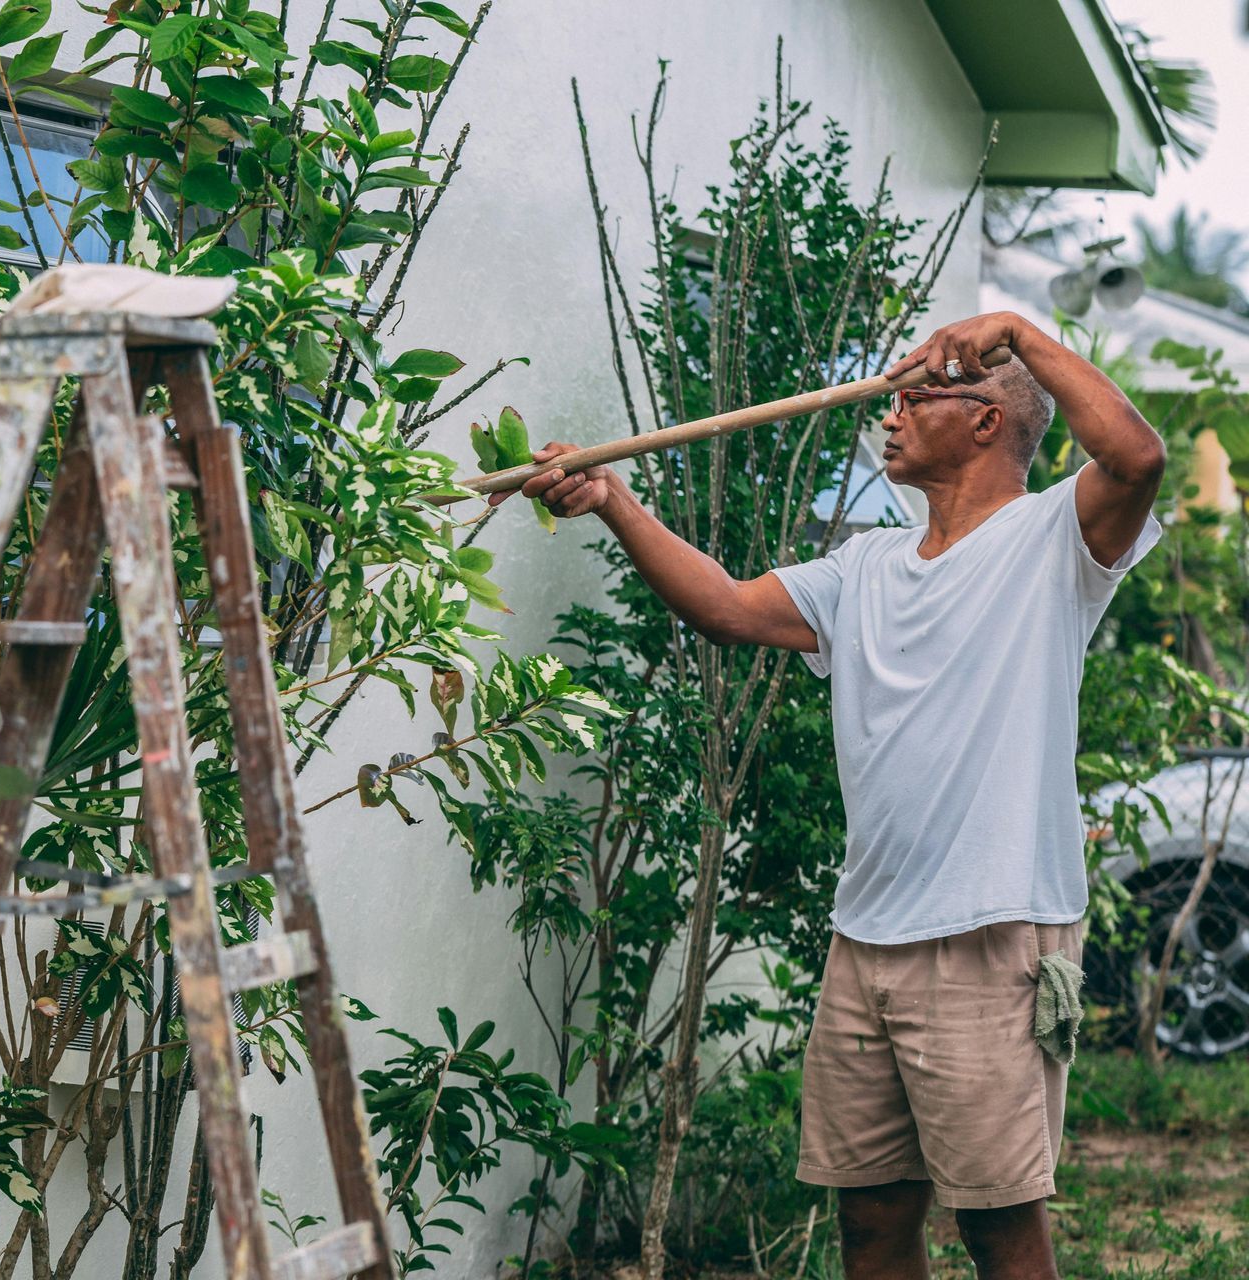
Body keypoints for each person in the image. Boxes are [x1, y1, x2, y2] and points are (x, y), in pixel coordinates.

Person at [493, 311, 1165, 1280]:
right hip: (868, 943)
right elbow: (725, 606)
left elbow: (1137, 457)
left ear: (985, 420)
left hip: (991, 937)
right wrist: (610, 500)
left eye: (913, 396)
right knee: (872, 1221)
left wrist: (1016, 334)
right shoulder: (865, 566)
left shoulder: (1052, 540)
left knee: (1001, 1232)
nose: (887, 416)